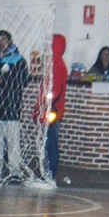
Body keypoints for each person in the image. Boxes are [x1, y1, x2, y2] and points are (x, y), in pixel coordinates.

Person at [0, 30, 30, 181]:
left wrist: (3, 81)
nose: (1, 42)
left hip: (11, 107)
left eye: (4, 39)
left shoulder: (18, 60)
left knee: (12, 142)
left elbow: (23, 81)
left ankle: (15, 172)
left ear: (10, 41)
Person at [33, 34, 67, 180]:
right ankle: (47, 172)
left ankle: (49, 173)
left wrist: (44, 105)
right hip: (50, 109)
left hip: (51, 110)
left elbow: (55, 91)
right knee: (48, 143)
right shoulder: (53, 64)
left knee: (49, 143)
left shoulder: (56, 65)